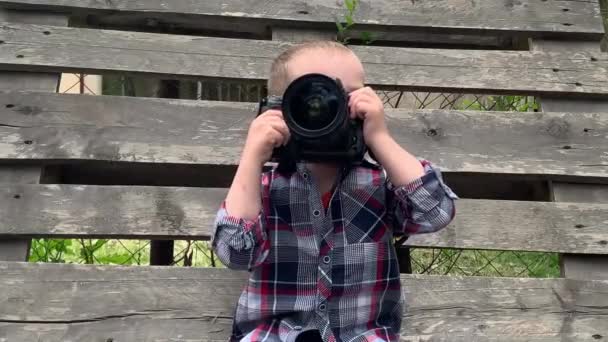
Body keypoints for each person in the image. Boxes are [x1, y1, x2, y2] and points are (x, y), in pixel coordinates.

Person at [212, 41, 458, 342]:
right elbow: (235, 252)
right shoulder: (264, 188)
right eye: (312, 98)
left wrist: (379, 138)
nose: (330, 108)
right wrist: (251, 157)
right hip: (277, 335)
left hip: (362, 335)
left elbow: (435, 212)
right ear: (280, 109)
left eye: (347, 97)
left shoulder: (379, 184)